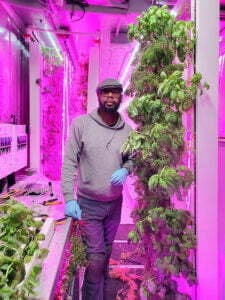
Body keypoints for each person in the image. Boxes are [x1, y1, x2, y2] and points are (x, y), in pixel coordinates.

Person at [61, 78, 133, 300]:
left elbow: (132, 159)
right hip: (89, 204)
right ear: (98, 96)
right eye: (105, 93)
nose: (110, 97)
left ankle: (95, 293)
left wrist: (127, 169)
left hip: (114, 205)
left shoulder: (127, 131)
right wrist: (69, 197)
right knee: (96, 258)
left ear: (121, 97)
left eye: (115, 93)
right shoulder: (81, 124)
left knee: (106, 252)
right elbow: (69, 162)